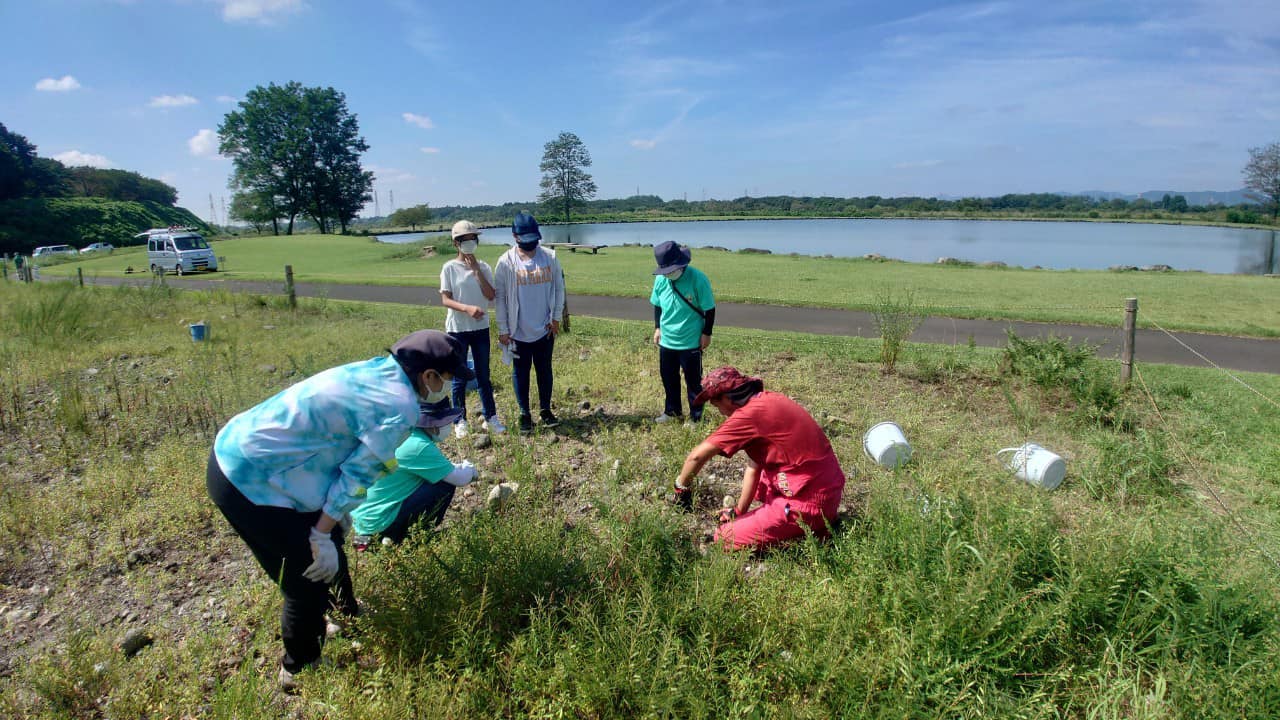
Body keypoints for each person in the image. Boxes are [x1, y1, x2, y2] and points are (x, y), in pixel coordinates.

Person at [206, 329, 474, 692]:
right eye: (447, 377)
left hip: (252, 453)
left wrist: (330, 524)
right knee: (306, 575)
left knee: (328, 538)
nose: (448, 385)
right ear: (428, 376)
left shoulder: (379, 370)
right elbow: (360, 475)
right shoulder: (401, 406)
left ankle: (346, 611)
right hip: (249, 477)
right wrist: (320, 531)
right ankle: (299, 667)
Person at [672, 366, 846, 551]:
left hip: (808, 502)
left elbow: (697, 456)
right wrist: (739, 511)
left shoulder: (748, 416)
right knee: (765, 475)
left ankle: (809, 532)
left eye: (717, 405)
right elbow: (754, 466)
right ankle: (810, 525)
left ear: (727, 398)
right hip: (827, 491)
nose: (721, 412)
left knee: (724, 537)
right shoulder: (770, 400)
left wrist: (681, 488)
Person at [349, 399, 478, 547]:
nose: (447, 425)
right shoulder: (419, 445)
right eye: (445, 421)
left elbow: (434, 467)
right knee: (443, 485)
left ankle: (372, 541)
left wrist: (455, 467)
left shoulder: (404, 435)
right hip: (379, 524)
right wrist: (470, 469)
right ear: (434, 424)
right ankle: (409, 538)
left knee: (434, 477)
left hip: (362, 522)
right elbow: (459, 479)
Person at [494, 211, 565, 434]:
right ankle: (524, 413)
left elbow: (559, 289)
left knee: (544, 370)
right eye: (526, 241)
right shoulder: (505, 262)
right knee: (520, 372)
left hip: (545, 328)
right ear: (515, 236)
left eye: (534, 240)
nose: (531, 244)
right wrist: (504, 329)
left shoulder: (550, 257)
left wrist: (556, 318)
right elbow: (501, 299)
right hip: (518, 330)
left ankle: (545, 409)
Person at [439, 220, 505, 437]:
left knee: (483, 375)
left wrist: (476, 271)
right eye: (464, 240)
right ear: (456, 243)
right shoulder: (449, 268)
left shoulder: (484, 266)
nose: (469, 243)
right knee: (459, 376)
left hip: (481, 329)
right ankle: (460, 420)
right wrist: (466, 308)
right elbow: (446, 299)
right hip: (458, 329)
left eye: (472, 239)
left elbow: (491, 295)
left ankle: (491, 418)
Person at [650, 241, 716, 423]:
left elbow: (710, 309)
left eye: (672, 269)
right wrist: (657, 327)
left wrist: (706, 333)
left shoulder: (698, 279)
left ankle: (696, 418)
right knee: (669, 379)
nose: (669, 273)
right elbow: (657, 304)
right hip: (667, 341)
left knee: (694, 383)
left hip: (691, 341)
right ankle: (672, 412)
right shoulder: (661, 280)